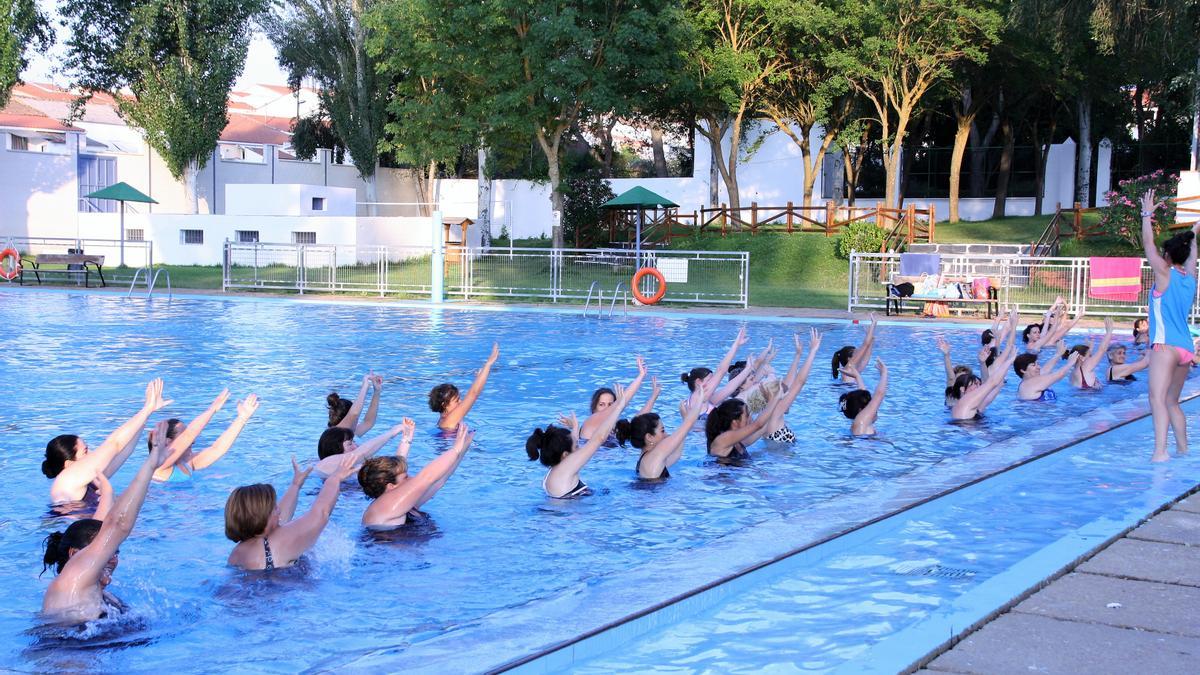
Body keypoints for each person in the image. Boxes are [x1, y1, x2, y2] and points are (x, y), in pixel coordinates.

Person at [40, 421, 169, 625]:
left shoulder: (103, 595)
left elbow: (106, 525)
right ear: (74, 554)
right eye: (108, 551)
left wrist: (108, 493)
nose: (113, 558)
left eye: (115, 552)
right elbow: (117, 525)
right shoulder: (73, 576)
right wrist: (150, 465)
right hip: (64, 654)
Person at [43, 378, 172, 503]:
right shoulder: (67, 480)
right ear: (69, 464)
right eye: (85, 451)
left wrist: (147, 414)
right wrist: (147, 408)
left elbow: (123, 452)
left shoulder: (90, 480)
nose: (92, 453)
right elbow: (114, 444)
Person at [1140, 189, 1199, 462]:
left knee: (1156, 399)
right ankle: (1184, 449)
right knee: (1173, 401)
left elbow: (1148, 244)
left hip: (1165, 347)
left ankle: (1160, 452)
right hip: (1186, 348)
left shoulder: (1164, 274)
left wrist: (1147, 214)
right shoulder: (1190, 277)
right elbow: (1192, 250)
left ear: (1167, 255)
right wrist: (1195, 232)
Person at [225, 454, 357, 571]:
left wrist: (295, 485)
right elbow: (321, 513)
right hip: (285, 589)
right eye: (274, 507)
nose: (279, 509)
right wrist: (335, 478)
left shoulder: (237, 553)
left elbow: (280, 520)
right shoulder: (279, 542)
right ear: (262, 516)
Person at [360, 423, 474, 529]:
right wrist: (455, 450)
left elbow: (439, 481)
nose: (411, 479)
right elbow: (426, 477)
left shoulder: (401, 504)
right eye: (405, 477)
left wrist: (464, 447)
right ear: (390, 486)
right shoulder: (384, 507)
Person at [527, 383, 631, 498]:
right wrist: (618, 407)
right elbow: (599, 438)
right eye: (576, 447)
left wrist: (575, 427)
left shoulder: (555, 470)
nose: (579, 448)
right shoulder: (567, 468)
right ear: (565, 455)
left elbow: (571, 446)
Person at [618, 376, 715, 480]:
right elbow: (688, 424)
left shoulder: (648, 457)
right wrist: (700, 399)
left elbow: (676, 454)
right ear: (649, 437)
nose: (667, 435)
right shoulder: (655, 454)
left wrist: (685, 420)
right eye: (662, 431)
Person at [153, 390, 260, 482]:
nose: (192, 440)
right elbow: (189, 434)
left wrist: (242, 418)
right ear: (168, 441)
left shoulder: (187, 464)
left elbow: (217, 449)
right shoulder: (158, 465)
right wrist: (211, 410)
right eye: (183, 435)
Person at [951, 312, 1020, 420]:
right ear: (963, 389)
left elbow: (989, 383)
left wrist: (982, 363)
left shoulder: (976, 404)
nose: (979, 387)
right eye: (974, 384)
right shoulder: (966, 403)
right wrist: (1010, 360)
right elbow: (991, 383)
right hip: (966, 433)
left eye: (979, 384)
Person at [579, 356, 653, 445]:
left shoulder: (617, 430)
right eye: (602, 404)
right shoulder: (589, 425)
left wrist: (653, 396)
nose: (607, 408)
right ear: (594, 408)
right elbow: (621, 403)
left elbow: (637, 422)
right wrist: (640, 376)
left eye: (610, 404)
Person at [429, 342, 499, 431]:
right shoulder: (450, 419)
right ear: (445, 405)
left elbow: (474, 393)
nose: (461, 402)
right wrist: (488, 364)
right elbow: (473, 394)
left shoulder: (444, 420)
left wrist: (478, 379)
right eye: (457, 400)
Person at [314, 421, 410, 479]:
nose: (357, 447)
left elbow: (396, 470)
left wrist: (406, 439)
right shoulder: (325, 464)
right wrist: (392, 432)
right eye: (350, 444)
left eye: (354, 442)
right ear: (334, 448)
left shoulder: (357, 469)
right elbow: (360, 453)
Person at [837, 359, 888, 436]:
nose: (875, 409)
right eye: (870, 406)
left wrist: (857, 377)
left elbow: (862, 396)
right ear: (861, 410)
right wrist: (884, 373)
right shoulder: (862, 420)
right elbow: (879, 394)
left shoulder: (860, 420)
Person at [1065, 317, 1116, 389]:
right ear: (1081, 358)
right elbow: (1102, 350)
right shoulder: (1086, 367)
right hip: (1092, 398)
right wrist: (1109, 332)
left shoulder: (1073, 370)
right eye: (1090, 355)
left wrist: (1090, 349)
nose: (1091, 357)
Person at [1013, 350, 1080, 401]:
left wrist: (1058, 353)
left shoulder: (1032, 380)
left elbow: (1046, 369)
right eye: (1033, 365)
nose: (1038, 367)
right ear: (1023, 370)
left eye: (1037, 364)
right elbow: (1058, 375)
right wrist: (1070, 363)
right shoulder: (1029, 384)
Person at [832, 314, 877, 384]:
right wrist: (873, 323)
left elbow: (866, 358)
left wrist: (872, 338)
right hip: (849, 392)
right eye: (857, 352)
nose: (860, 353)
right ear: (849, 359)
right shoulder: (848, 369)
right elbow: (865, 345)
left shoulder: (854, 370)